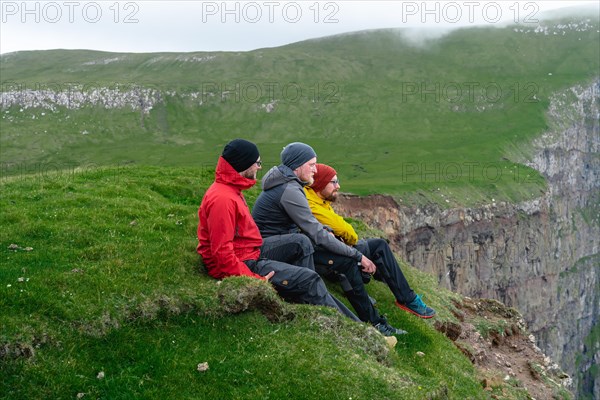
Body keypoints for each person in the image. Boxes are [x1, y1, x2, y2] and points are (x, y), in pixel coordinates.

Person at [252, 142, 407, 336]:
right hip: (272, 249)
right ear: (298, 165)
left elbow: (309, 224)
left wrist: (336, 240)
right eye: (312, 164)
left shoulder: (290, 184)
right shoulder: (289, 190)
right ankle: (313, 304)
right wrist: (358, 255)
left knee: (346, 261)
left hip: (286, 243)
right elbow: (314, 232)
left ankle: (374, 322)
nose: (315, 170)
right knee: (319, 247)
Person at [197, 139, 359, 320]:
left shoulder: (230, 190)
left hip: (249, 252)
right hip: (244, 261)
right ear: (243, 164)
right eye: (257, 163)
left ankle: (302, 298)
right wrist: (253, 279)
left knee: (301, 243)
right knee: (309, 280)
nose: (259, 167)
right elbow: (221, 253)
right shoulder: (223, 199)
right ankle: (351, 325)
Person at [305, 163, 436, 319]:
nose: (338, 186)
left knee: (377, 246)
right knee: (378, 247)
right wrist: (351, 239)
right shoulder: (312, 205)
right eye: (333, 182)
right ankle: (407, 300)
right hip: (330, 261)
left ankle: (394, 288)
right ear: (320, 183)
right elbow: (347, 231)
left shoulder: (320, 201)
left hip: (332, 252)